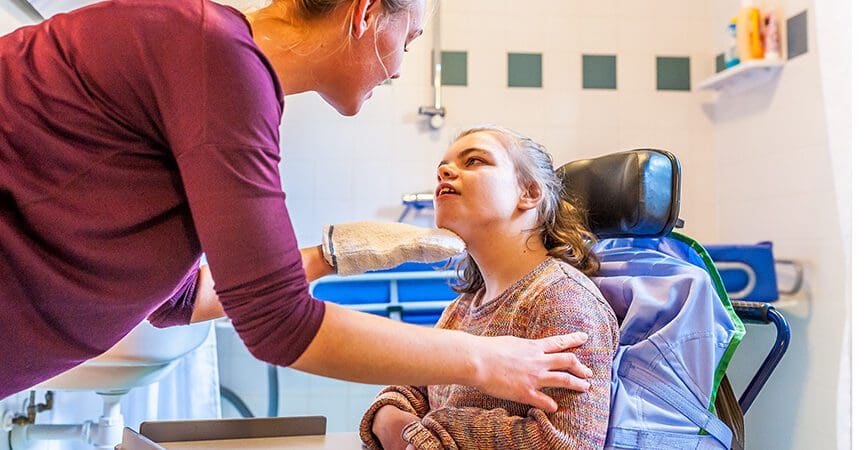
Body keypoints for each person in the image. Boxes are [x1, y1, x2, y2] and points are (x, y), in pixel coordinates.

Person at [0, 0, 593, 408]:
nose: (401, 65)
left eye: (478, 160)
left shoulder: (214, 59)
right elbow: (278, 324)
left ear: (530, 196)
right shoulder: (219, 63)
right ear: (364, 13)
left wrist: (333, 257)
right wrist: (485, 362)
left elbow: (173, 300)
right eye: (407, 39)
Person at [360, 126, 620, 450]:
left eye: (474, 161)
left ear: (529, 193)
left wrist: (430, 430)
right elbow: (409, 391)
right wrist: (390, 416)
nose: (443, 171)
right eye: (443, 166)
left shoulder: (562, 300)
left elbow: (564, 443)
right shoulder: (463, 308)